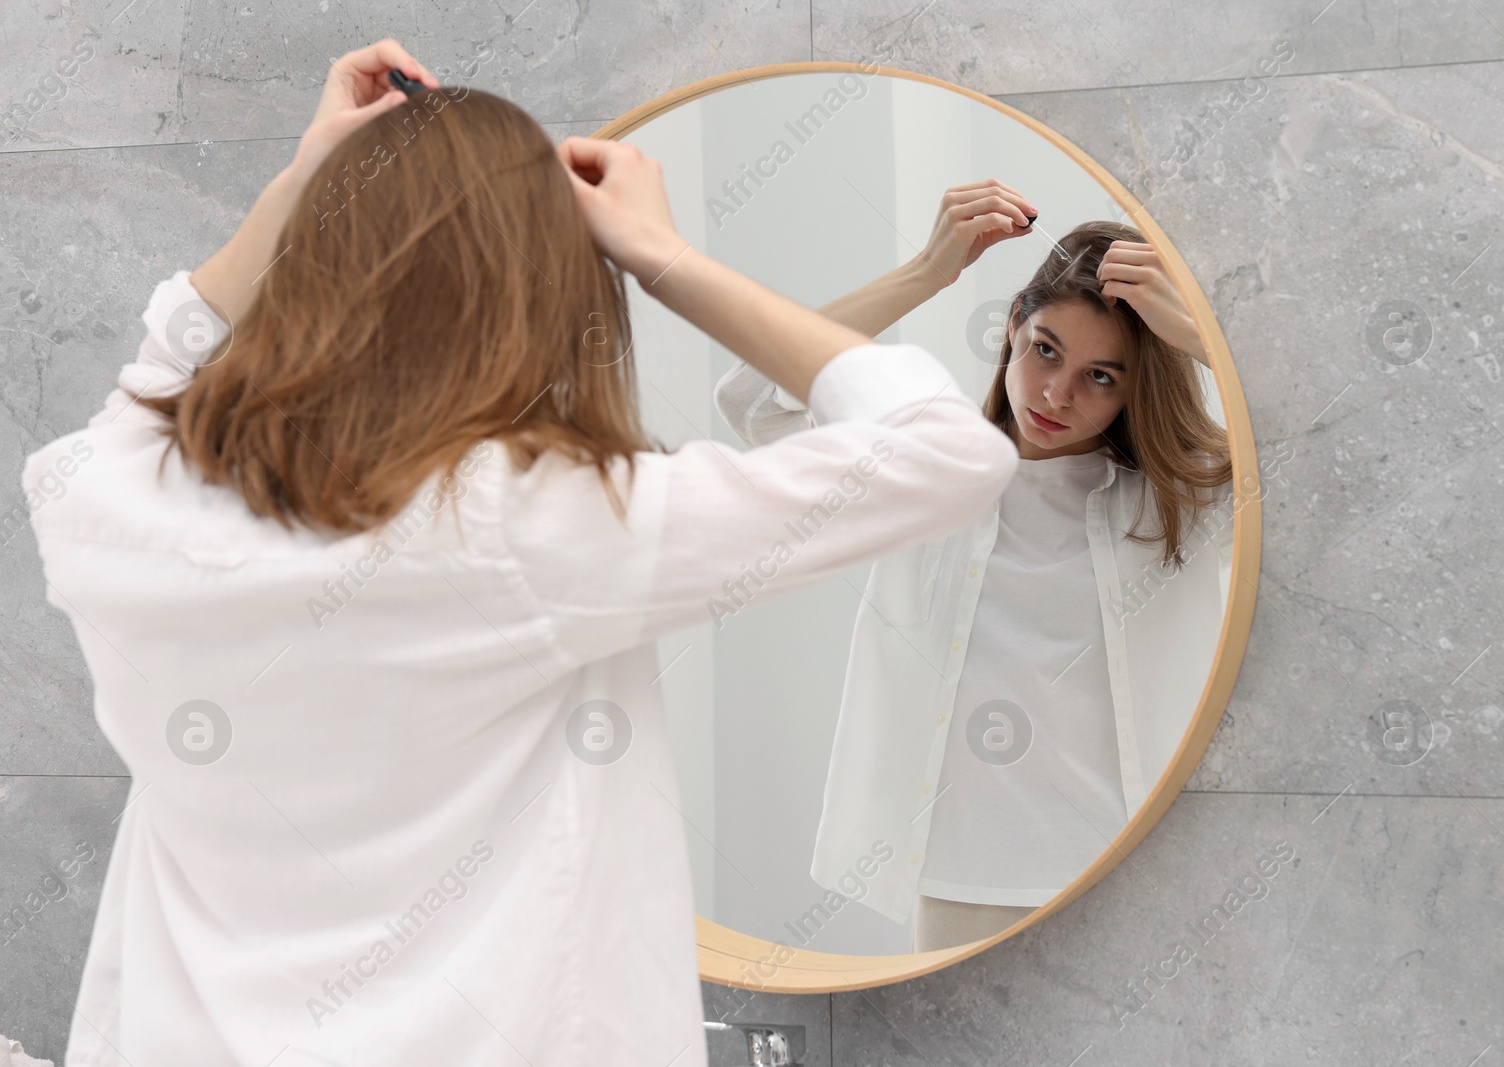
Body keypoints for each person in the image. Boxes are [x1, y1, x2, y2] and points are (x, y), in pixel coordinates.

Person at [21, 42, 1019, 1065]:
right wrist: (660, 253)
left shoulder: (105, 502)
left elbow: (151, 379)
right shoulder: (537, 522)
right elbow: (943, 450)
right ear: (546, 291)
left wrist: (308, 179)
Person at [714, 181, 1235, 952]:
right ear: (1011, 332)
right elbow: (753, 396)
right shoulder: (927, 467)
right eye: (1045, 350)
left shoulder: (1183, 502)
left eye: (1102, 375)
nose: (1056, 392)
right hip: (961, 876)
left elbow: (1323, 466)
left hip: (1130, 869)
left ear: (1135, 390)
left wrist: (1199, 336)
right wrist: (927, 270)